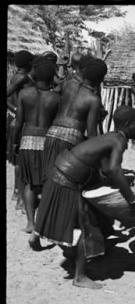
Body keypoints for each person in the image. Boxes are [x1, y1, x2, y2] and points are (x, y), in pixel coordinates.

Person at [30, 106, 135, 289]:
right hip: (68, 180)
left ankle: (62, 248)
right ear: (128, 124)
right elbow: (114, 170)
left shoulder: (109, 136)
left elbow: (106, 169)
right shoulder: (119, 141)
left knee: (92, 216)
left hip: (59, 171)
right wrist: (131, 200)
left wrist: (119, 182)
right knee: (89, 226)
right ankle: (80, 276)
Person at [13, 56, 60, 234]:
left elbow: (18, 123)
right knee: (47, 182)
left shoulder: (25, 94)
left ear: (34, 75)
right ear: (51, 76)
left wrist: (15, 143)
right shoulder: (56, 98)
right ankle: (45, 222)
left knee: (29, 184)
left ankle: (31, 223)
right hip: (48, 140)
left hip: (27, 140)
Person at [42, 57, 107, 181]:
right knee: (68, 182)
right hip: (71, 138)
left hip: (51, 134)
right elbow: (92, 134)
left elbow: (53, 98)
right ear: (100, 79)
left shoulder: (67, 83)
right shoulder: (93, 99)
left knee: (50, 180)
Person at [7, 50, 35, 212]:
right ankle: (19, 197)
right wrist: (18, 110)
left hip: (18, 120)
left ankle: (17, 194)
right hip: (19, 121)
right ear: (29, 63)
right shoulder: (22, 78)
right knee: (20, 160)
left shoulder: (20, 76)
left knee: (19, 160)